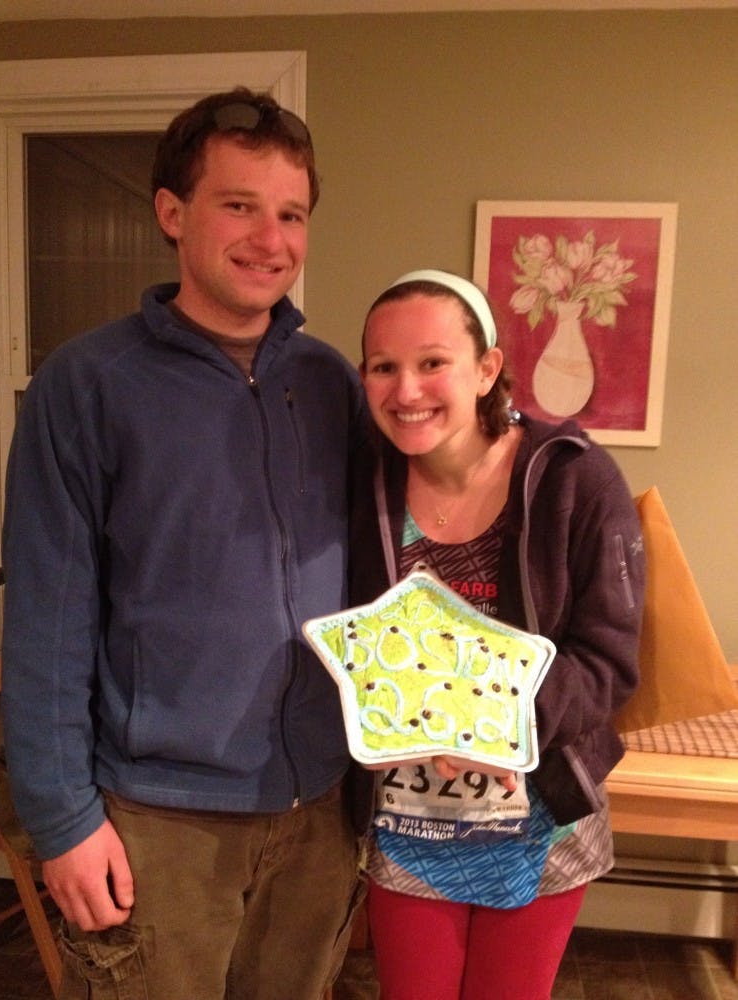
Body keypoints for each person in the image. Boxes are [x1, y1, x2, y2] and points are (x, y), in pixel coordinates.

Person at [0, 86, 369, 999]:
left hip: (319, 811)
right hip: (154, 824)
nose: (269, 239)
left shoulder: (332, 384)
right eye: (238, 205)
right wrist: (61, 821)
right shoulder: (87, 386)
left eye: (291, 214)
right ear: (172, 212)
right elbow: (48, 620)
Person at [352, 269, 646, 1000]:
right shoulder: (364, 484)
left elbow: (606, 658)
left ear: (486, 369)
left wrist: (490, 725)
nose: (406, 390)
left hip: (542, 816)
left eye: (432, 362)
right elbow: (351, 641)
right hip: (407, 821)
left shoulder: (575, 479)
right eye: (383, 367)